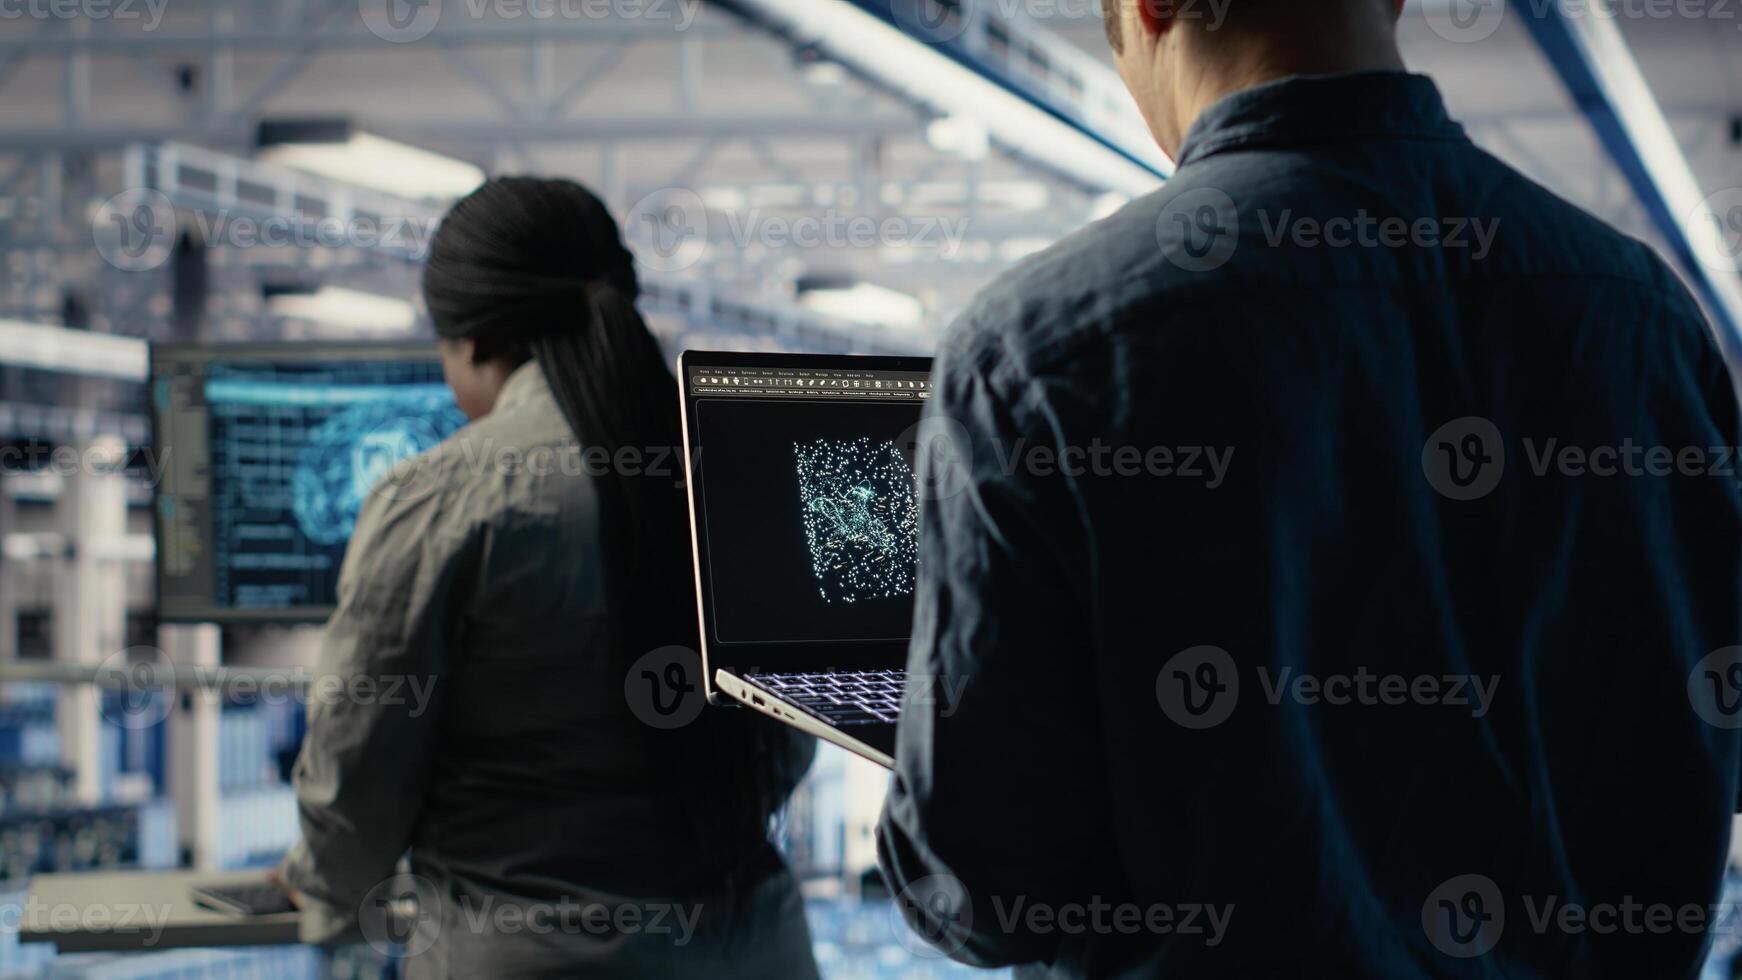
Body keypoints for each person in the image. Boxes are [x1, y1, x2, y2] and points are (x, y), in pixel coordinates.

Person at [878, 1, 1742, 977]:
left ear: (1151, 9)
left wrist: (941, 719)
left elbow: (987, 887)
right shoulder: (1640, 314)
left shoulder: (1033, 349)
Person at [277, 177, 819, 978]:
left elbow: (358, 771)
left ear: (471, 342)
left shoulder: (437, 497)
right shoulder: (745, 474)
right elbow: (788, 744)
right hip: (753, 951)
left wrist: (322, 890)